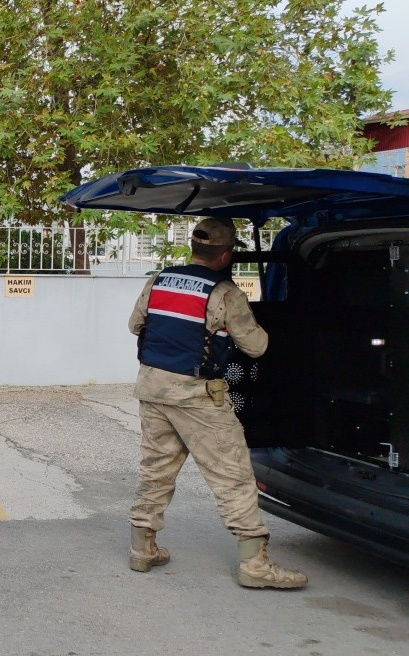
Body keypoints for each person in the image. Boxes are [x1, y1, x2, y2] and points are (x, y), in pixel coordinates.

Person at [127, 217, 306, 589]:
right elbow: (256, 346)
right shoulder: (225, 293)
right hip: (197, 396)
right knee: (233, 475)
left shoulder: (158, 280)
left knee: (155, 468)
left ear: (193, 247)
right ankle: (255, 565)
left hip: (153, 387)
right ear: (225, 255)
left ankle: (142, 549)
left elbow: (135, 325)